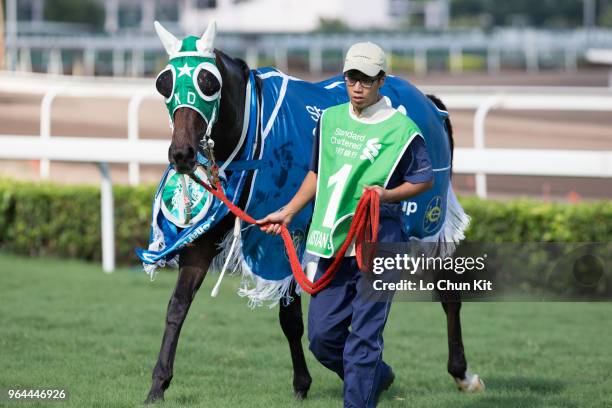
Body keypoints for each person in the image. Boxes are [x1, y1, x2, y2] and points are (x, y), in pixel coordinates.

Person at [257, 42, 434, 407]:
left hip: (380, 239)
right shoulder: (330, 119)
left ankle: (360, 393)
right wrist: (287, 211)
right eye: (352, 77)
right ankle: (377, 375)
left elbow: (423, 178)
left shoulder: (402, 129)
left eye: (367, 79)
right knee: (321, 337)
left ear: (381, 81)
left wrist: (385, 196)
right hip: (332, 243)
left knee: (364, 341)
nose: (358, 86)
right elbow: (317, 173)